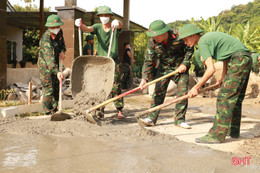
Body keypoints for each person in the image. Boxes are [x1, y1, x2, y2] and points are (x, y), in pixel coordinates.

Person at [178, 24, 252, 144]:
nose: (185, 43)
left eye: (186, 39)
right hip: (245, 57)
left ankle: (216, 135)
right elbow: (226, 57)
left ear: (193, 35)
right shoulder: (209, 39)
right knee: (235, 97)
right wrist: (223, 77)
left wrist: (196, 87)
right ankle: (233, 131)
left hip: (238, 59)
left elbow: (210, 69)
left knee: (224, 98)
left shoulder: (202, 42)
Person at [139, 20, 194, 128]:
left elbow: (189, 48)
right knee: (158, 92)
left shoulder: (179, 35)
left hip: (180, 68)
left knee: (182, 94)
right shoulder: (153, 41)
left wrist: (185, 63)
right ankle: (151, 118)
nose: (155, 38)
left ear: (165, 32)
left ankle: (179, 120)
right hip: (163, 68)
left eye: (157, 36)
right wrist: (144, 78)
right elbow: (149, 60)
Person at [75, 5, 125, 119]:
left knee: (116, 85)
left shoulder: (114, 27)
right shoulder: (97, 27)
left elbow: (121, 25)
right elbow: (87, 29)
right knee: (100, 86)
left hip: (113, 60)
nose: (104, 17)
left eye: (106, 15)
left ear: (110, 16)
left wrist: (118, 22)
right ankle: (100, 110)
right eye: (102, 15)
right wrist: (80, 25)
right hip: (101, 62)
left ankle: (119, 110)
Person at [38, 14, 65, 115]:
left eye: (57, 26)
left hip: (56, 63)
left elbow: (62, 44)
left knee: (56, 86)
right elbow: (49, 59)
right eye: (53, 27)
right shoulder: (46, 39)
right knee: (49, 88)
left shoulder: (59, 33)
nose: (56, 29)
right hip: (45, 66)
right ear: (49, 27)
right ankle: (48, 111)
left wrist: (62, 51)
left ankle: (55, 109)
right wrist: (57, 71)